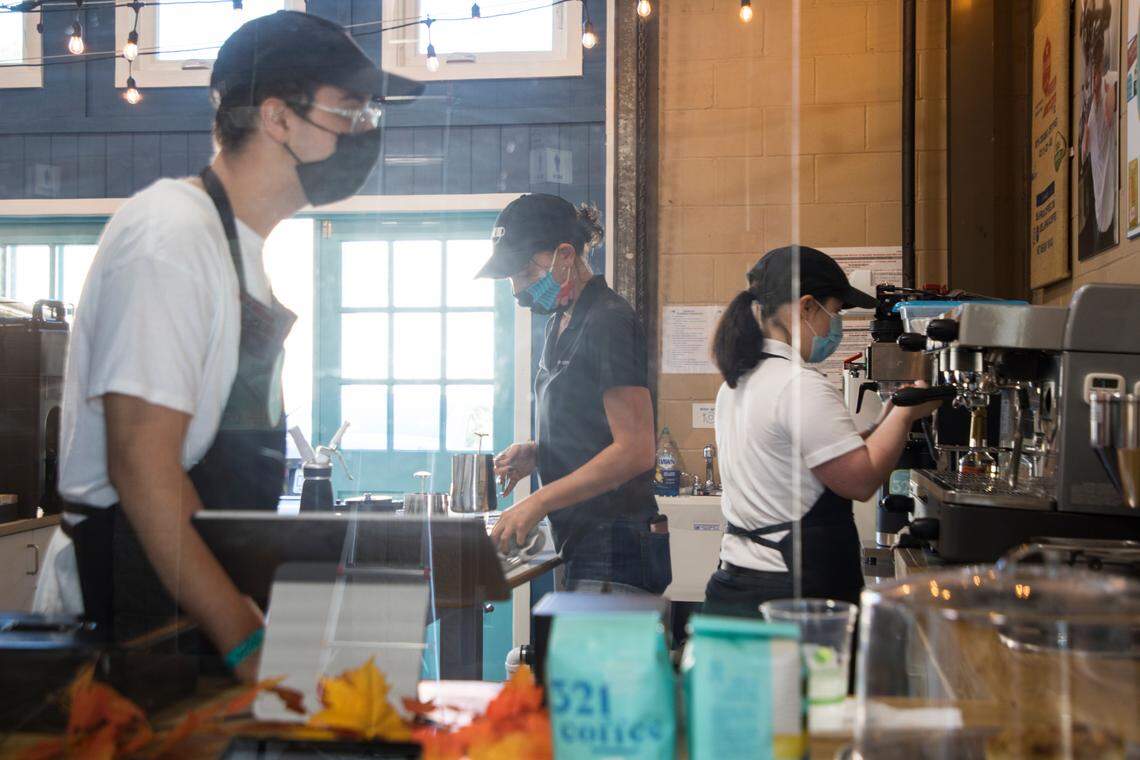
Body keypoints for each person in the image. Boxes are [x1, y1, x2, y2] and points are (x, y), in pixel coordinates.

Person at [53, 11, 418, 680]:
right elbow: (143, 465)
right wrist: (253, 646)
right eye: (351, 110)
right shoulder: (171, 236)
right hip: (130, 616)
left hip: (191, 606)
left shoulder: (239, 251)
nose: (368, 131)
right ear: (278, 118)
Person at [702, 246, 940, 617]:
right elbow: (859, 480)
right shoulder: (798, 385)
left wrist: (887, 417)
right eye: (837, 311)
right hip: (792, 597)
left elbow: (819, 458)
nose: (836, 326)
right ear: (807, 307)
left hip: (737, 585)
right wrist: (907, 414)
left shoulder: (739, 381)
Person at [479, 194, 671, 594]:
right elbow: (592, 425)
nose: (519, 291)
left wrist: (538, 502)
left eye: (526, 275)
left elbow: (635, 450)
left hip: (615, 540)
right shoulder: (561, 321)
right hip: (581, 537)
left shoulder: (608, 320)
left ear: (565, 255)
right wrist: (540, 451)